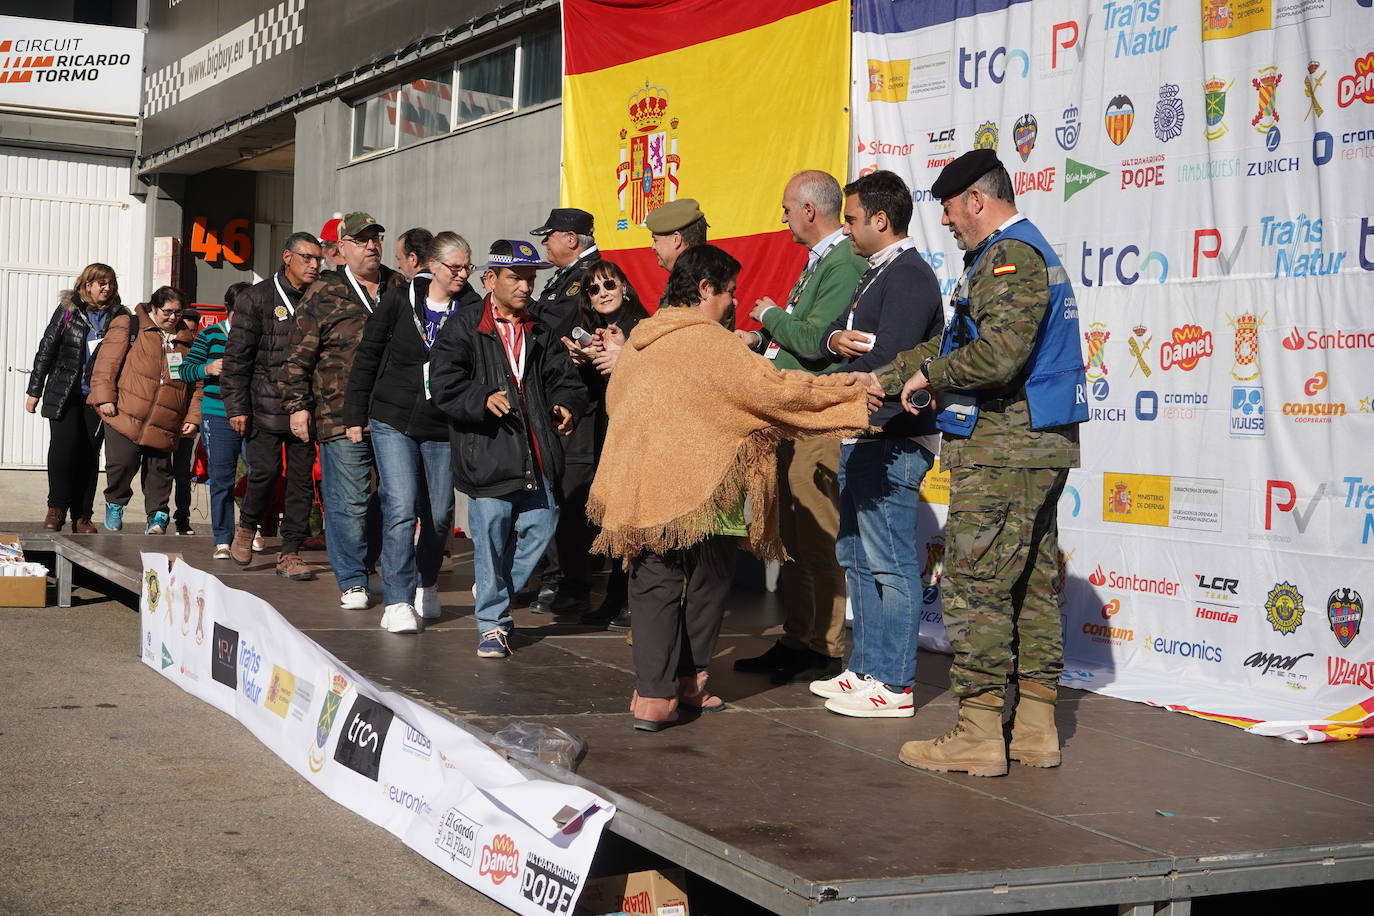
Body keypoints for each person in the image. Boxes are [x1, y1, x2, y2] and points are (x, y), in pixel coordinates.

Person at [587, 245, 876, 731]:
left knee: (653, 583)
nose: (732, 304)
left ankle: (652, 697)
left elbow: (617, 401)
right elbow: (778, 392)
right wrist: (850, 390)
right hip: (709, 486)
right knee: (707, 580)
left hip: (642, 484)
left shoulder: (641, 339)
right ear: (705, 289)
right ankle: (691, 682)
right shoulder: (716, 344)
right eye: (728, 293)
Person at [868, 150, 1087, 776]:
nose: (946, 220)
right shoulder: (1007, 255)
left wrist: (929, 374)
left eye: (949, 206)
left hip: (1006, 448)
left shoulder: (1010, 257)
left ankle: (979, 732)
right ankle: (1037, 727)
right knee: (1031, 583)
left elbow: (997, 357)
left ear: (977, 201)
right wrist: (889, 376)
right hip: (1032, 445)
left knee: (975, 587)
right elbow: (959, 340)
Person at [808, 169, 944, 720]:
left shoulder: (909, 276)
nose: (846, 228)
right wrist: (831, 340)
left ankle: (896, 682)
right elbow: (830, 334)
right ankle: (864, 670)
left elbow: (891, 359)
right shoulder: (873, 273)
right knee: (857, 557)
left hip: (894, 436)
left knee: (888, 562)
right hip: (860, 433)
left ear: (881, 220)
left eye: (852, 218)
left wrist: (839, 371)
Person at [732, 170, 869, 685]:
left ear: (811, 210)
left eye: (787, 207)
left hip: (819, 414)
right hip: (794, 412)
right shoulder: (825, 261)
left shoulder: (844, 262)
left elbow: (817, 340)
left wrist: (768, 317)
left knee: (815, 529)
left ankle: (826, 645)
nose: (783, 216)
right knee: (791, 528)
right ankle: (798, 635)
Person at [428, 239, 587, 659]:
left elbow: (564, 379)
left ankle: (494, 587)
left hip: (537, 453)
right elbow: (443, 385)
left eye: (531, 278)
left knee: (542, 523)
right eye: (516, 277)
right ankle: (493, 624)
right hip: (487, 454)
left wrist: (566, 405)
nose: (525, 286)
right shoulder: (463, 327)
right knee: (492, 537)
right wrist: (480, 398)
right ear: (490, 279)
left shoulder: (540, 328)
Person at [345, 231, 480, 635]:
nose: (461, 274)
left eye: (467, 267)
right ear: (433, 266)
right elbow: (368, 353)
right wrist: (355, 413)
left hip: (442, 424)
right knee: (400, 508)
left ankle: (427, 580)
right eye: (454, 267)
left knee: (438, 515)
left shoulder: (471, 307)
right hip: (394, 418)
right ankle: (398, 599)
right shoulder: (399, 299)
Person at [281, 211, 402, 609]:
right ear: (342, 249)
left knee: (395, 499)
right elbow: (298, 357)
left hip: (394, 414)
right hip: (337, 415)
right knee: (347, 501)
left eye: (376, 239)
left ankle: (369, 565)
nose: (372, 246)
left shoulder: (398, 287)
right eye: (362, 240)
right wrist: (298, 407)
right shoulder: (323, 293)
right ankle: (352, 579)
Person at [221, 232, 323, 581]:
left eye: (318, 259)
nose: (314, 265)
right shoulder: (257, 297)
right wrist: (236, 407)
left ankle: (290, 551)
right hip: (263, 404)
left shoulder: (322, 295)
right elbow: (236, 358)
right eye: (307, 257)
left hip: (306, 408)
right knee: (263, 473)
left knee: (301, 482)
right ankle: (247, 527)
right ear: (287, 257)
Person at [558, 259, 649, 630]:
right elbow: (595, 391)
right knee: (612, 517)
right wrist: (581, 361)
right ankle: (616, 597)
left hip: (636, 434)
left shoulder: (640, 326)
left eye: (609, 284)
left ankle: (632, 601)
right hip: (608, 433)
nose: (602, 293)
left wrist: (618, 356)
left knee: (631, 517)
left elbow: (650, 378)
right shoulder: (594, 330)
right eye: (593, 289)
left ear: (625, 286)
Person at [527, 207, 603, 615]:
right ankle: (556, 577)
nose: (545, 244)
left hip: (581, 401)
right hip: (557, 396)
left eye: (550, 236)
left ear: (571, 239)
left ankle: (573, 583)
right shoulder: (565, 277)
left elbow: (556, 324)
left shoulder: (592, 275)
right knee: (555, 488)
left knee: (572, 494)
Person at [25, 263, 130, 534]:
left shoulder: (120, 316)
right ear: (87, 285)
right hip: (65, 392)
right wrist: (34, 390)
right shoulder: (68, 311)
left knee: (89, 454)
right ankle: (56, 509)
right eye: (101, 283)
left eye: (111, 283)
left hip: (98, 398)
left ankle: (82, 516)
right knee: (63, 449)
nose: (107, 288)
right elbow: (46, 349)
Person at [87, 287, 201, 534]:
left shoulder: (187, 339)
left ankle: (158, 516)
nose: (173, 318)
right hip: (125, 411)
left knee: (160, 471)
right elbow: (106, 364)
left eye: (178, 312)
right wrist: (105, 398)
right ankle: (115, 503)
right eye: (167, 312)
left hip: (167, 416)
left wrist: (193, 416)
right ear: (153, 307)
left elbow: (196, 383)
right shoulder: (129, 325)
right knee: (122, 464)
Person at [180, 282, 250, 558]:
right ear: (227, 310)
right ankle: (222, 537)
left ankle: (248, 529)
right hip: (217, 413)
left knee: (260, 472)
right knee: (222, 476)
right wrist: (206, 367)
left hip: (251, 413)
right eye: (239, 313)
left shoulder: (258, 335)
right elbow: (184, 371)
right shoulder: (209, 335)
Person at [646, 199, 707, 273]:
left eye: (656, 240)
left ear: (676, 239)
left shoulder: (692, 281)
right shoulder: (713, 275)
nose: (653, 247)